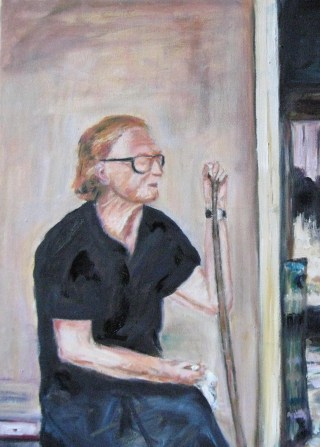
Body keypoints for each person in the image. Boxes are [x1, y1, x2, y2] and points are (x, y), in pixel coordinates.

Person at [34, 115, 232, 446]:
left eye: (158, 160)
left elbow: (215, 300)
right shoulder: (68, 243)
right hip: (81, 402)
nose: (156, 171)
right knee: (185, 415)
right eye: (141, 161)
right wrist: (166, 371)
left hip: (145, 393)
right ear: (101, 171)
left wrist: (217, 212)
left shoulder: (159, 234)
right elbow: (76, 350)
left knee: (191, 413)